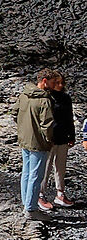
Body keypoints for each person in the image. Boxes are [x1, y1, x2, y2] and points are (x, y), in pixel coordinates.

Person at [17, 71, 66, 216]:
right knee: (36, 176)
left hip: (25, 140)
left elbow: (15, 113)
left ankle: (26, 204)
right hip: (39, 144)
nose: (54, 86)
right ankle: (31, 209)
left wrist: (24, 131)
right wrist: (49, 140)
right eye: (52, 83)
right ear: (44, 81)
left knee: (26, 173)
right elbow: (47, 125)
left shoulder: (24, 95)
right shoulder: (44, 100)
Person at [48, 73, 77, 207]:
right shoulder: (47, 97)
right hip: (50, 138)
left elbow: (69, 117)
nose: (60, 85)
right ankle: (40, 194)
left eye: (62, 83)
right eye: (57, 83)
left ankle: (60, 193)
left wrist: (72, 135)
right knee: (46, 167)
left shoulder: (66, 98)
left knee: (61, 167)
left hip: (63, 136)